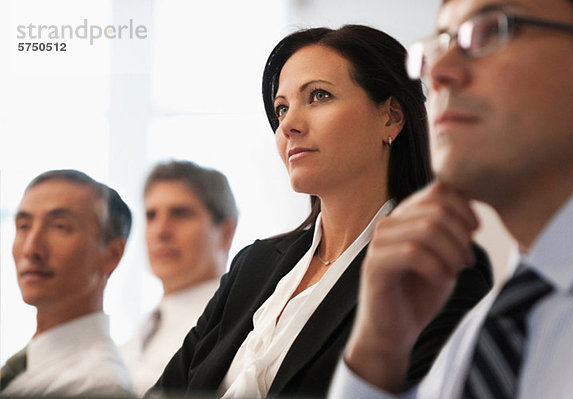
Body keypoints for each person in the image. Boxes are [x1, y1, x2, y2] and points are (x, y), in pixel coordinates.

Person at [149, 25, 492, 399]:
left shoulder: (436, 267)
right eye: (282, 108)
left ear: (391, 116)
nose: (289, 125)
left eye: (318, 96)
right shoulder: (253, 265)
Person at [329, 0, 573, 398]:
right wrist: (377, 351)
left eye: (489, 30)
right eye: (440, 45)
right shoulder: (482, 335)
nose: (438, 73)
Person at [0, 170, 133, 396]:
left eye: (60, 227)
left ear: (111, 254)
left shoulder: (95, 386)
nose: (31, 249)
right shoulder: (31, 363)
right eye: (23, 226)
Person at [121, 160, 238, 395]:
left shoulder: (233, 328)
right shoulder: (135, 338)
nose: (160, 231)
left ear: (225, 233)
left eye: (180, 214)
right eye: (151, 216)